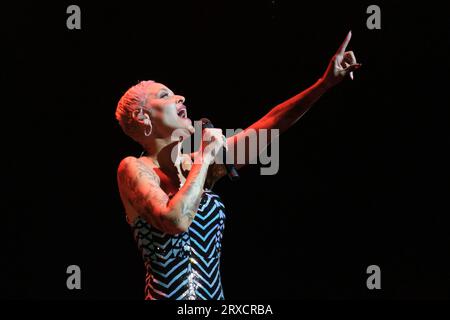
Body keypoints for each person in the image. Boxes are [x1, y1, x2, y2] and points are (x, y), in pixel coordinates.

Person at [115, 31, 361, 300]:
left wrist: (323, 85)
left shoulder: (194, 166)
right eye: (165, 96)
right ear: (142, 118)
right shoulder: (134, 168)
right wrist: (206, 158)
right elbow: (175, 220)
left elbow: (269, 125)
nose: (180, 98)